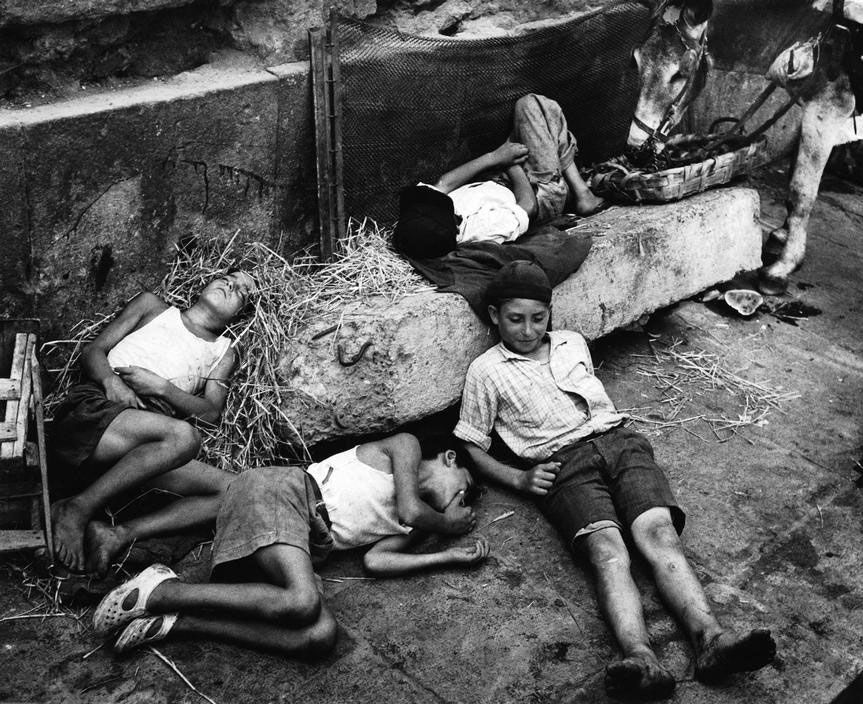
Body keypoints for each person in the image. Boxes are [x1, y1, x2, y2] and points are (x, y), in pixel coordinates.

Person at [453, 260, 776, 700]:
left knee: (659, 534)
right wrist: (518, 478)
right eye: (514, 319)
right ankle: (641, 657)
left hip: (619, 442)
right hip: (563, 465)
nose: (527, 329)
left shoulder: (571, 343)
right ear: (494, 315)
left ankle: (712, 640)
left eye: (538, 317)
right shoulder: (486, 371)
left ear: (550, 313)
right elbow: (471, 443)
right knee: (608, 552)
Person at [91, 433, 488, 656]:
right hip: (287, 492)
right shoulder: (407, 448)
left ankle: (175, 622)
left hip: (298, 541)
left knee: (318, 638)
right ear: (450, 458)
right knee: (303, 602)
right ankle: (162, 591)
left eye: (464, 504)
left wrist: (445, 555)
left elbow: (378, 562)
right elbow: (412, 508)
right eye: (464, 491)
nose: (460, 503)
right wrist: (449, 525)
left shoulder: (415, 525)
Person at [49, 270, 257, 576]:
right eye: (229, 278)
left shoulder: (223, 351)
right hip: (97, 410)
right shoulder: (154, 308)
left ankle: (119, 533)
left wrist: (162, 388)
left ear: (243, 313)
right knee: (184, 437)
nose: (230, 285)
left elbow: (211, 413)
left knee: (236, 491)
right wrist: (110, 381)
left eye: (242, 291)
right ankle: (77, 507)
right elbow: (93, 350)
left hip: (151, 445)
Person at [393, 93, 605, 259]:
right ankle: (580, 192)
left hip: (501, 176)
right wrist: (512, 167)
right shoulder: (482, 230)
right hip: (537, 194)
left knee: (539, 120)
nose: (437, 193)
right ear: (455, 225)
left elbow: (443, 183)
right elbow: (527, 206)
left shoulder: (424, 213)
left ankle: (572, 186)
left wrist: (495, 156)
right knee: (533, 105)